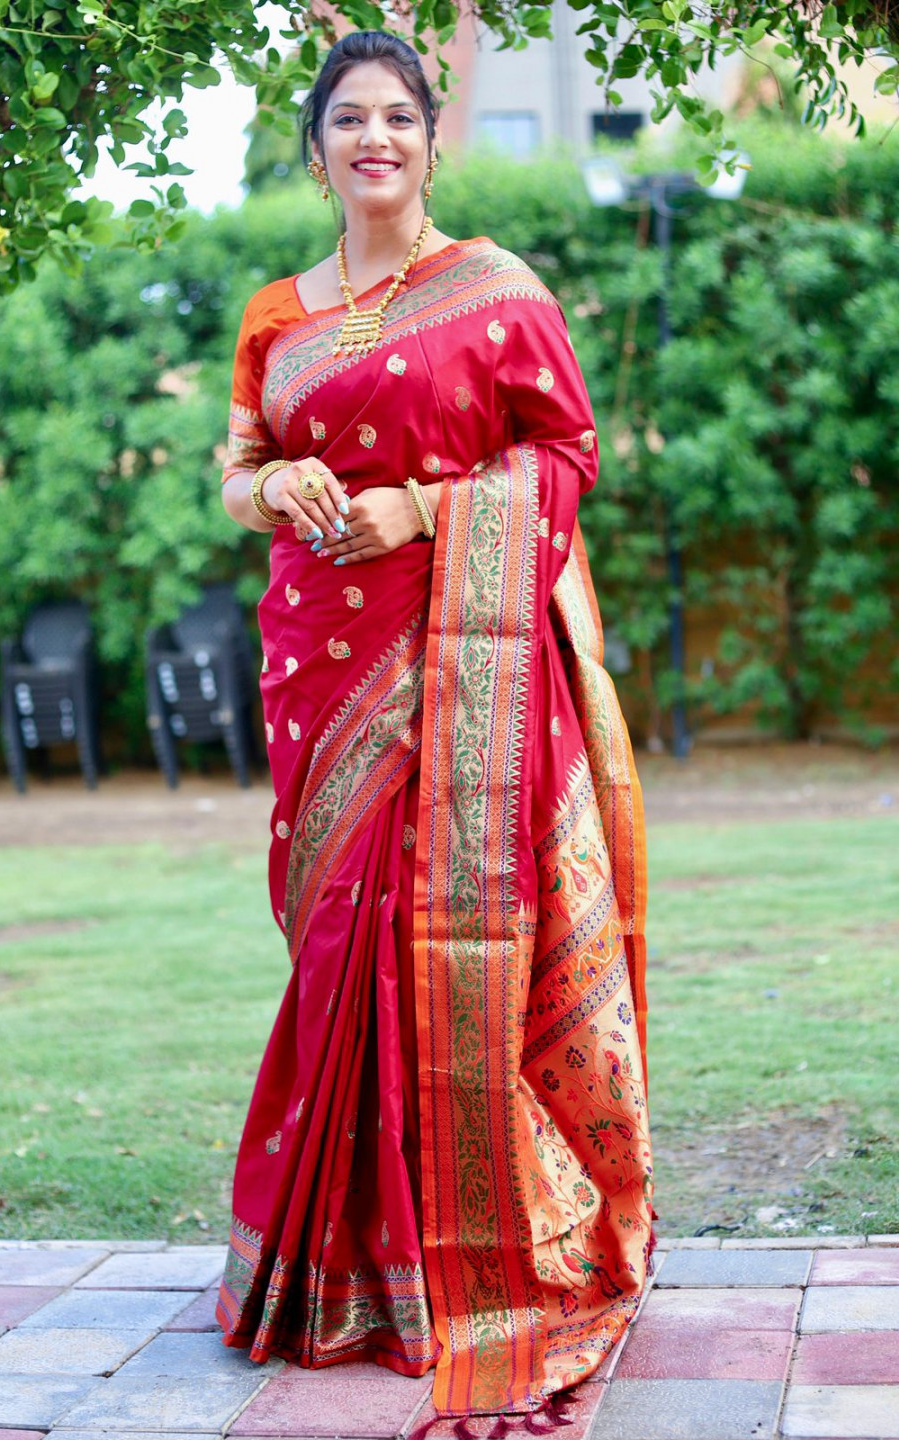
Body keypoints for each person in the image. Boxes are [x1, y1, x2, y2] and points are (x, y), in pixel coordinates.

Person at [215, 30, 655, 1432]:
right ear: (319, 144)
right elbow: (231, 478)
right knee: (339, 936)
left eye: (398, 116)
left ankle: (453, 1257)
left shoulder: (497, 293)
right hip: (316, 660)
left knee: (436, 936)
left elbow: (566, 453)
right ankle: (336, 1265)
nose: (375, 140)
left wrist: (425, 509)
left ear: (429, 135)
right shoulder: (275, 311)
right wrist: (278, 485)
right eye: (349, 119)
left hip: (453, 653)